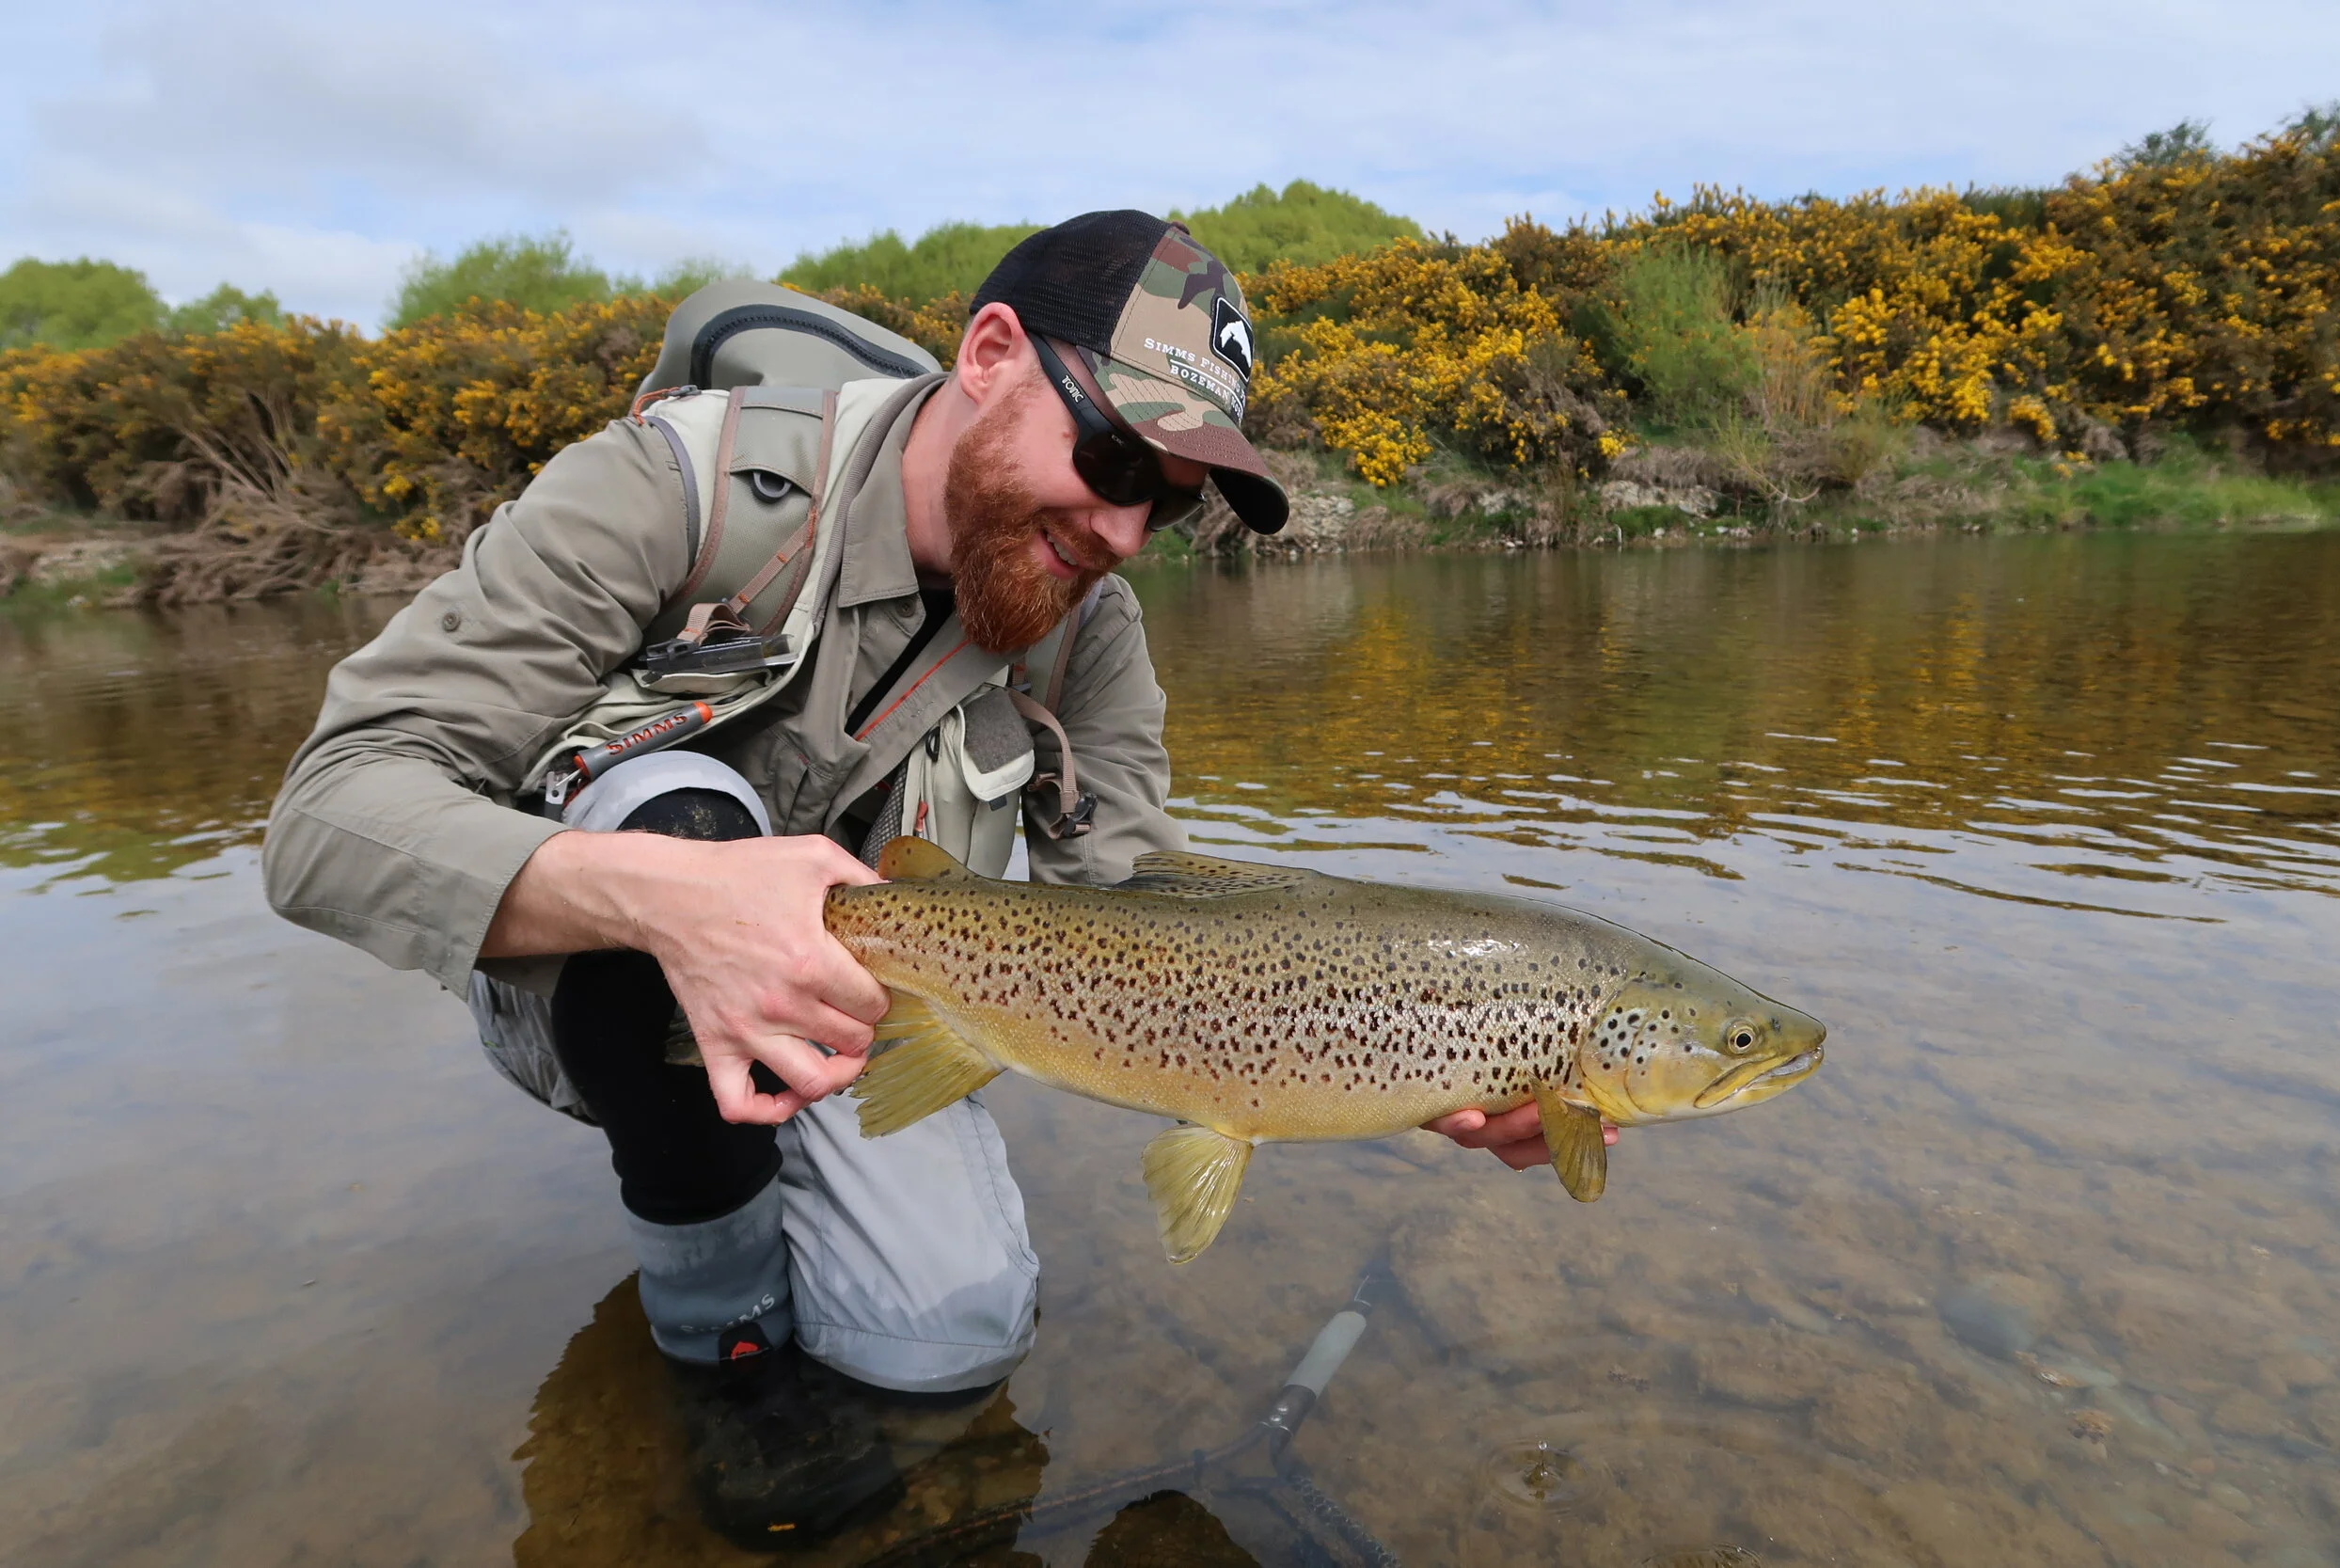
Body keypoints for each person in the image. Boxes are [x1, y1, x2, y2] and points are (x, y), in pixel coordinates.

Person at [261, 210, 1599, 1544]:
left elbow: (1146, 923)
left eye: (1172, 502)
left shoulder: (1092, 631)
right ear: (991, 353)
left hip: (871, 1005)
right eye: (1117, 456)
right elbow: (325, 813)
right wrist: (664, 899)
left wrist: (1396, 1052)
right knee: (682, 820)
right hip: (582, 981)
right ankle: (724, 1351)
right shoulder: (674, 491)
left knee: (953, 1338)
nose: (1129, 531)